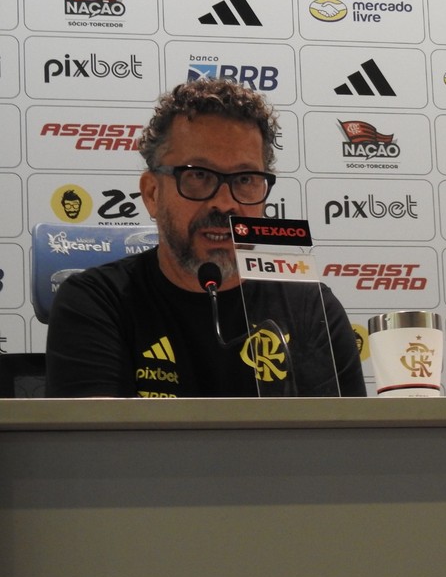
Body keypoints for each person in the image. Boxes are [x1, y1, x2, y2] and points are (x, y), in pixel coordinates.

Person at [45, 79, 366, 398]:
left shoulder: (311, 308)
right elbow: (97, 447)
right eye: (198, 175)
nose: (225, 203)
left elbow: (343, 445)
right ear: (152, 193)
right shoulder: (97, 302)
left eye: (244, 179)